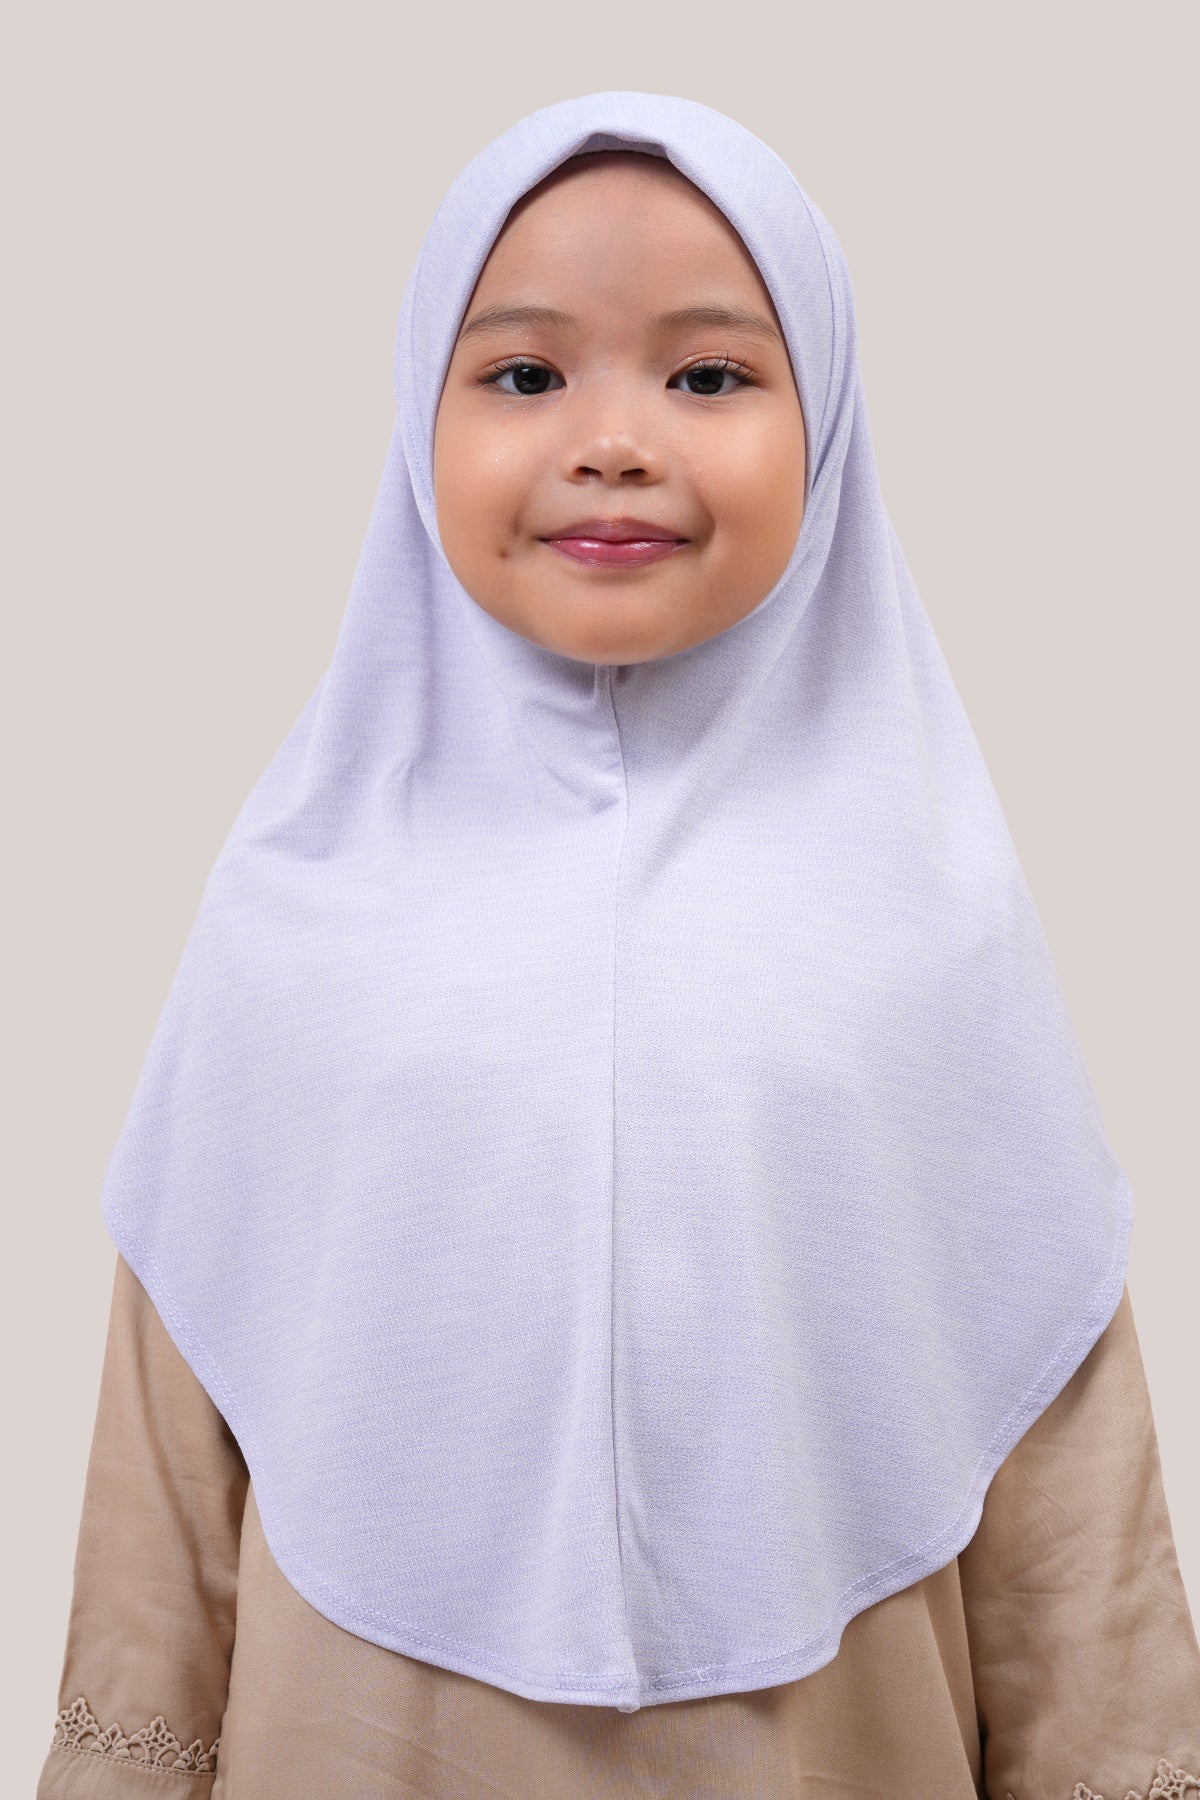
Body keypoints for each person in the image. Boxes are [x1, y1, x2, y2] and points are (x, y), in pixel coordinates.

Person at [37, 92, 1200, 1799]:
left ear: (832, 417)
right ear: (417, 412)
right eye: (523, 374)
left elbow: (1055, 1459)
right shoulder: (298, 912)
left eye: (710, 375)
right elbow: (174, 1434)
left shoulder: (927, 927)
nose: (613, 442)